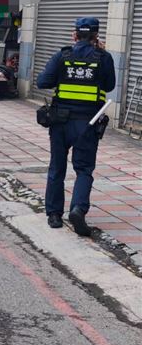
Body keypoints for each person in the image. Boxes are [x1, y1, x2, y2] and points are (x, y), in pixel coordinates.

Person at [37, 17, 115, 236]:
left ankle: (54, 215)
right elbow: (109, 86)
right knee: (84, 169)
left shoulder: (63, 56)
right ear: (95, 35)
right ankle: (78, 209)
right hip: (87, 124)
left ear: (75, 34)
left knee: (57, 167)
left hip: (60, 122)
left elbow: (42, 82)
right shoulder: (104, 58)